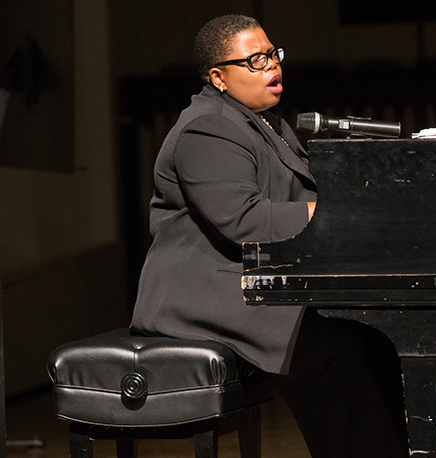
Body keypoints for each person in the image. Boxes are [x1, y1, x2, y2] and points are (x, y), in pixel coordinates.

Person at [130, 14, 408, 458]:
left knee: (374, 336)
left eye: (273, 54)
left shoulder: (264, 124)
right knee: (336, 348)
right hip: (205, 294)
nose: (272, 67)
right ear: (218, 77)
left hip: (248, 281)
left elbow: (302, 196)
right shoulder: (207, 128)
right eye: (255, 60)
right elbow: (245, 220)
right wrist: (336, 214)